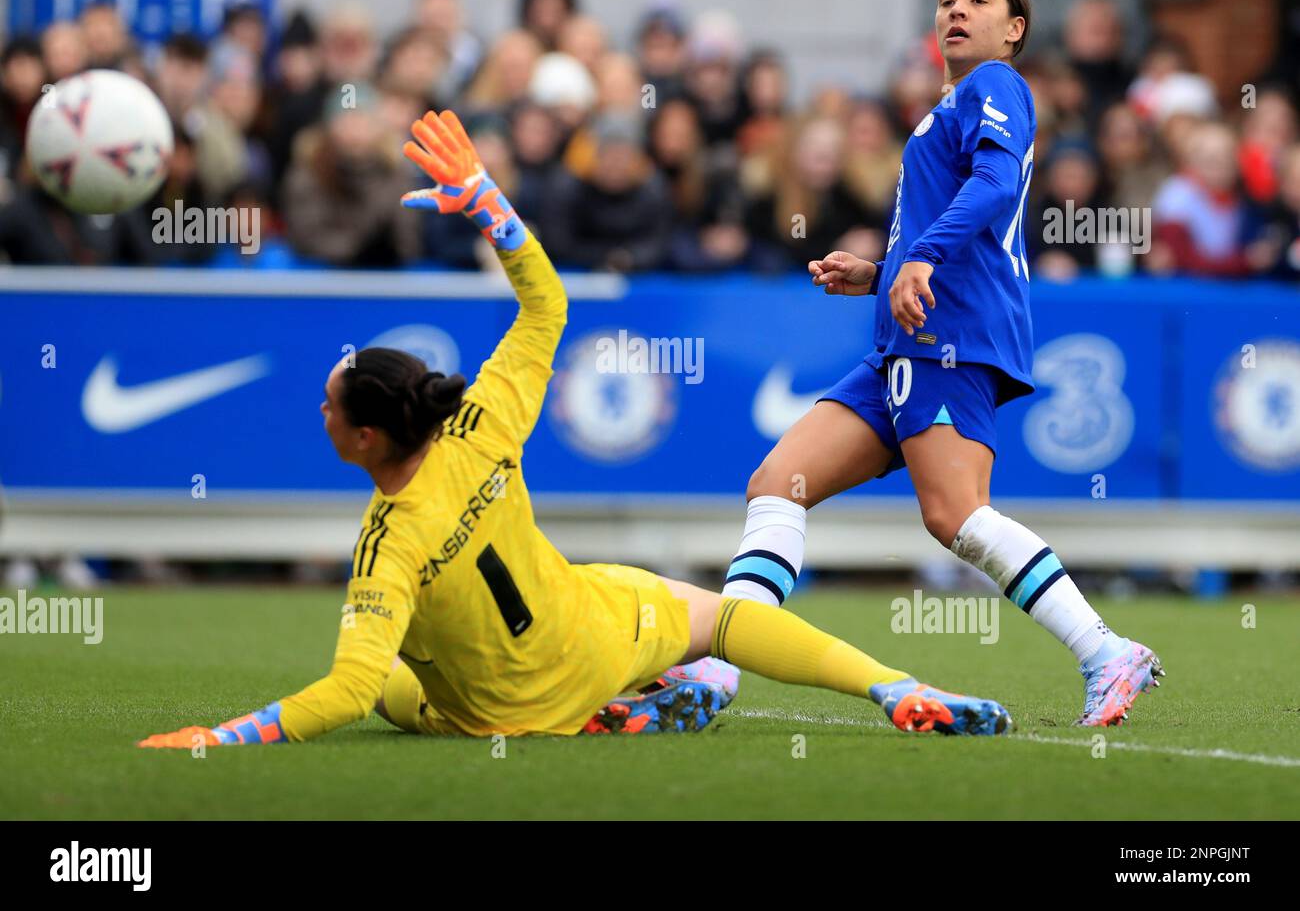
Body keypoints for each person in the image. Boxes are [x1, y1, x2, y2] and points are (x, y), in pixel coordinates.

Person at [137, 110, 1012, 749]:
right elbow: (548, 301)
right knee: (724, 619)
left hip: (501, 715)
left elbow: (346, 687)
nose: (320, 411)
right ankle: (893, 685)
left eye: (328, 404)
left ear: (366, 439)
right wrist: (487, 203)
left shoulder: (384, 544)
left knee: (392, 690)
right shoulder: (478, 422)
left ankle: (612, 714)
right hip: (590, 635)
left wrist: (223, 737)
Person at [718, 0, 1164, 728]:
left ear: (1014, 28)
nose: (956, 9)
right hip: (903, 340)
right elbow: (959, 209)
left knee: (954, 514)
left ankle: (1106, 651)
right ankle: (714, 671)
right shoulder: (951, 103)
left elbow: (993, 189)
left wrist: (919, 257)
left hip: (949, 334)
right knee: (776, 482)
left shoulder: (997, 85)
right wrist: (881, 269)